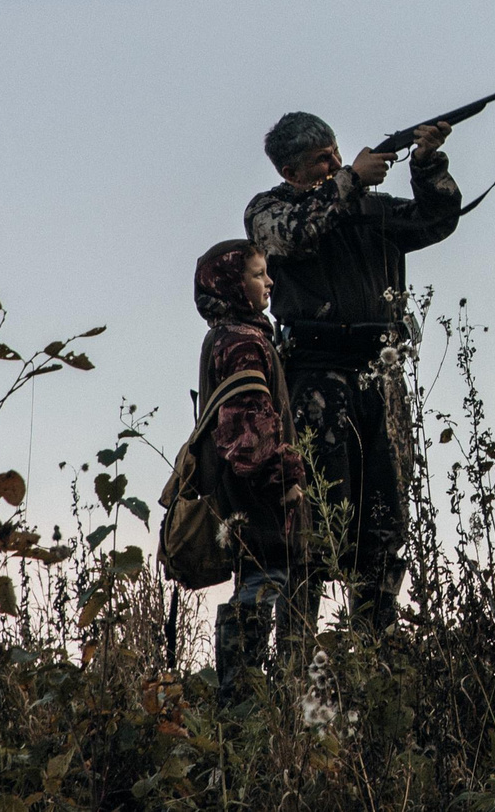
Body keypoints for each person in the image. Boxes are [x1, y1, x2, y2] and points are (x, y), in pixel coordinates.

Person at [245, 110, 461, 633]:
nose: (337, 163)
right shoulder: (270, 209)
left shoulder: (366, 206)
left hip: (380, 380)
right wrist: (349, 181)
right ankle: (298, 658)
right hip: (318, 379)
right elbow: (292, 235)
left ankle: (375, 650)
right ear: (290, 170)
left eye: (337, 153)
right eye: (323, 159)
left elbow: (436, 221)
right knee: (315, 521)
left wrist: (428, 164)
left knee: (385, 522)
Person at [190, 237, 306, 697]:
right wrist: (286, 480)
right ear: (234, 285)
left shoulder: (226, 334)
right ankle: (242, 696)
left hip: (234, 485)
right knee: (264, 577)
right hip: (255, 489)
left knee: (258, 576)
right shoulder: (243, 342)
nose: (270, 282)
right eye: (258, 275)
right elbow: (250, 424)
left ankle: (242, 692)